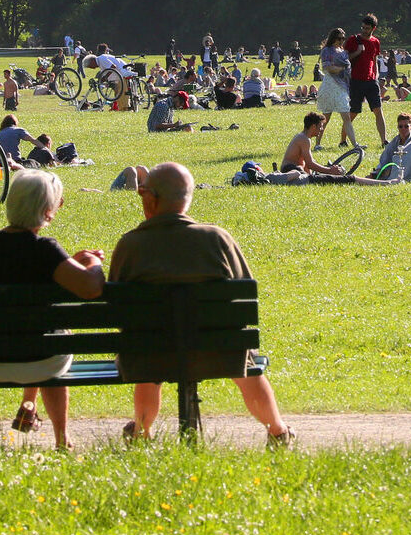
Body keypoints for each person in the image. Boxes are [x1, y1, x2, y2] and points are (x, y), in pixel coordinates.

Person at [109, 162, 292, 444]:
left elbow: (118, 311)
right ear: (186, 198)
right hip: (218, 352)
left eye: (142, 192)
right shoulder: (216, 239)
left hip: (149, 354)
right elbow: (241, 297)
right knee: (242, 354)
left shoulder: (130, 245)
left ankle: (142, 434)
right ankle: (277, 431)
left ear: (152, 198)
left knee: (145, 350)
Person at [0, 171, 105, 449]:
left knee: (33, 330)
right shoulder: (46, 250)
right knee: (55, 336)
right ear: (48, 211)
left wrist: (70, 262)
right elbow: (92, 288)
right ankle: (62, 439)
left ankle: (29, 406)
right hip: (43, 361)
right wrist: (92, 262)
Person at [343, 14, 387, 148]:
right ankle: (343, 140)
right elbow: (344, 59)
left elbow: (374, 59)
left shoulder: (375, 42)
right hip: (356, 80)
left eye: (367, 28)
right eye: (362, 27)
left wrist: (376, 75)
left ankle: (384, 140)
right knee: (353, 112)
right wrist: (357, 51)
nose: (364, 30)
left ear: (373, 28)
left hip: (371, 81)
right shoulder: (353, 40)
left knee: (378, 110)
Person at [280, 114, 358, 177]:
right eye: (320, 126)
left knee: (312, 177)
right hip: (290, 169)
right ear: (313, 126)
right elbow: (310, 164)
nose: (321, 129)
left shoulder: (304, 137)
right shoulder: (304, 139)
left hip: (296, 168)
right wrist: (330, 171)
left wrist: (324, 170)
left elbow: (308, 163)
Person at [314, 27, 354, 149]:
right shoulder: (327, 50)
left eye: (343, 38)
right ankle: (317, 144)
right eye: (339, 38)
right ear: (333, 38)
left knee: (346, 116)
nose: (341, 41)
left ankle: (355, 144)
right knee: (326, 117)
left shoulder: (342, 51)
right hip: (331, 85)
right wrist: (341, 69)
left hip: (342, 86)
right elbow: (327, 68)